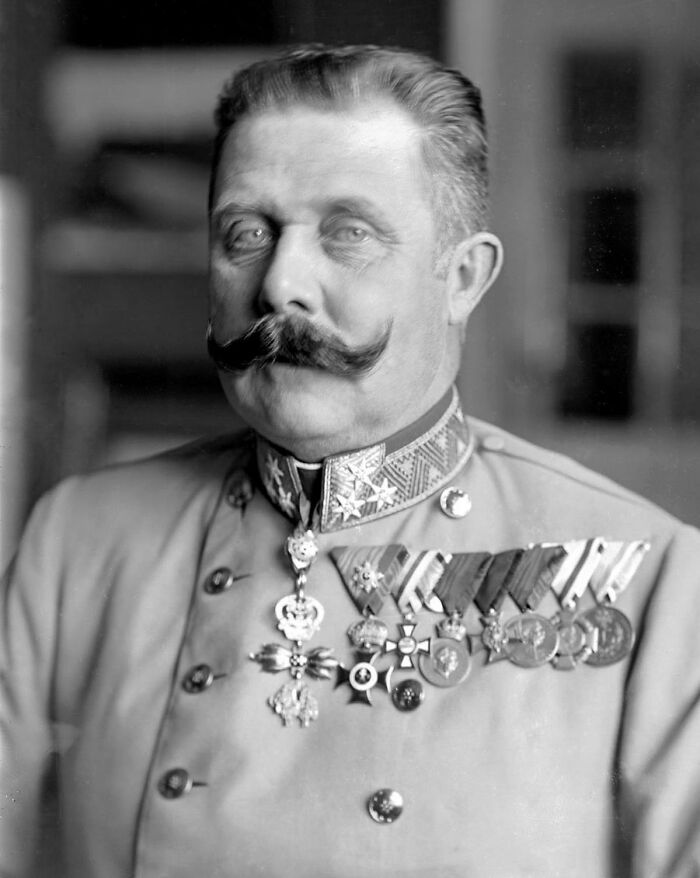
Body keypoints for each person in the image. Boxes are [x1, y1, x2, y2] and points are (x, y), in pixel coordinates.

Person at [2, 44, 699, 878]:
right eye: (245, 234)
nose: (279, 285)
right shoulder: (78, 541)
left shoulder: (650, 579)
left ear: (464, 277)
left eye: (349, 233)